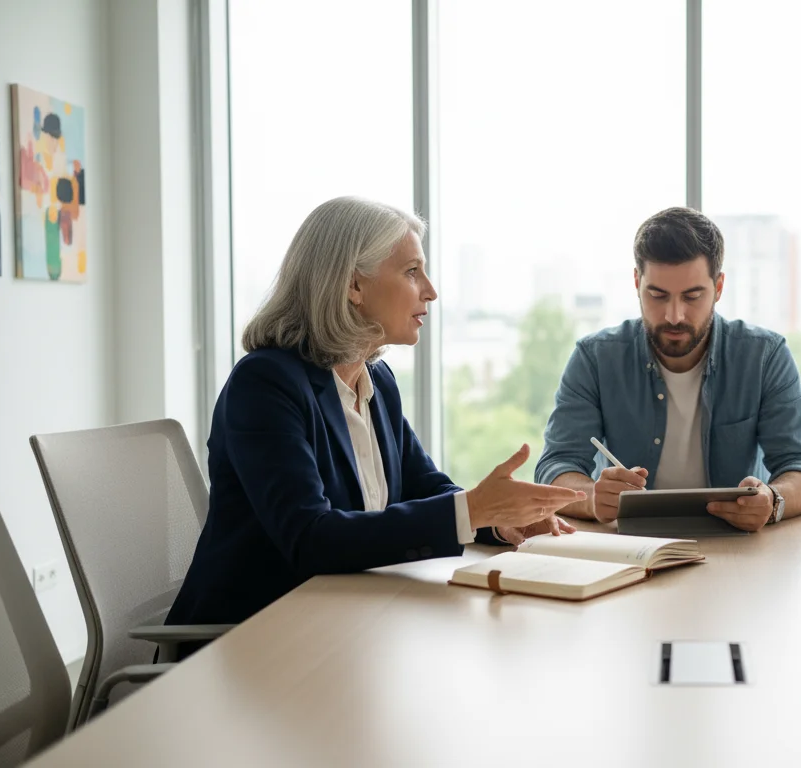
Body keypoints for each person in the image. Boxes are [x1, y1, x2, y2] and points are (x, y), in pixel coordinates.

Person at [168, 197, 582, 638]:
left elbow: (427, 488)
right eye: (411, 272)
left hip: (343, 624)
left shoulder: (376, 380)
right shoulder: (265, 383)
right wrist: (473, 509)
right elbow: (311, 539)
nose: (430, 290)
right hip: (250, 638)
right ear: (354, 286)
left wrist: (497, 519)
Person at [535, 206, 801, 532]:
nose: (674, 315)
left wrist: (773, 500)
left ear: (718, 287)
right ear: (636, 282)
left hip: (737, 547)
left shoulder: (764, 356)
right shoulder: (595, 358)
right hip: (629, 549)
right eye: (658, 295)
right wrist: (592, 498)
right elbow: (556, 465)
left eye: (692, 296)